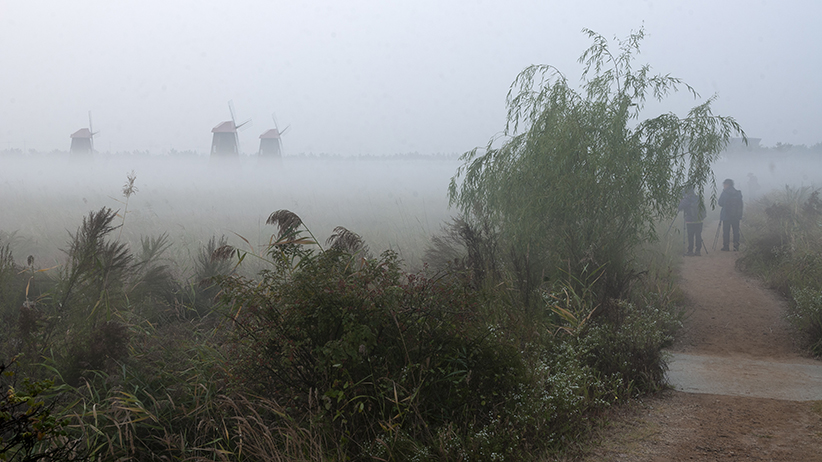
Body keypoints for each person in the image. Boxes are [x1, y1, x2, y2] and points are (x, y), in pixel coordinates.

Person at [678, 186, 705, 256]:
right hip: (699, 220)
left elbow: (680, 208)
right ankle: (698, 251)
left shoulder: (686, 199)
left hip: (690, 221)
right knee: (698, 235)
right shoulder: (698, 198)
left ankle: (690, 251)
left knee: (690, 236)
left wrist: (681, 202)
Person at [717, 178, 743, 251]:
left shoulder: (725, 193)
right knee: (736, 231)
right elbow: (740, 205)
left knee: (726, 232)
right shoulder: (738, 193)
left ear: (727, 184)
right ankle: (736, 246)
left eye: (724, 184)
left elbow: (720, 203)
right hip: (736, 216)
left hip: (726, 216)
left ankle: (726, 246)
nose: (723, 186)